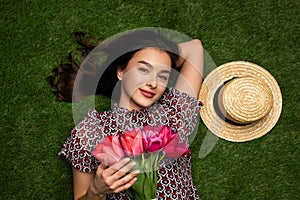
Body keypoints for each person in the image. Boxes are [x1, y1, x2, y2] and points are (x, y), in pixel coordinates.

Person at [49, 28, 204, 200]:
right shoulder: (90, 130)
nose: (153, 83)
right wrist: (96, 191)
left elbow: (195, 48)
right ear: (121, 71)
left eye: (163, 76)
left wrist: (162, 53)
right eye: (144, 70)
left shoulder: (174, 112)